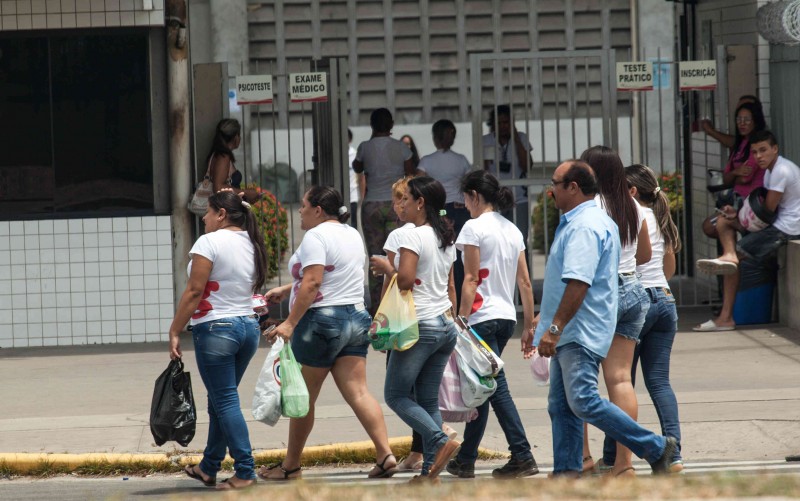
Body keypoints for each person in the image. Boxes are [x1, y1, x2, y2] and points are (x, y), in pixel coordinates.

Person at [523, 159, 677, 478]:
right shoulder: (584, 219)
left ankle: (656, 447)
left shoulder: (585, 225)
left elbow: (579, 282)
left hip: (579, 328)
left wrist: (555, 327)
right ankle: (567, 470)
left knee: (583, 400)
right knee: (563, 405)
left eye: (555, 183)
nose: (550, 191)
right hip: (573, 327)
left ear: (573, 188)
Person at [259, 186, 396, 480]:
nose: (300, 210)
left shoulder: (315, 236)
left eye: (304, 205)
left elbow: (313, 283)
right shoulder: (350, 234)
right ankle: (385, 454)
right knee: (358, 392)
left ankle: (291, 466)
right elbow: (335, 275)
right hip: (356, 318)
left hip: (321, 322)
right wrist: (287, 289)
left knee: (303, 397)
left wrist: (289, 323)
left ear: (318, 210)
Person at [169, 190, 269, 490]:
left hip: (216, 330)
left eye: (209, 212)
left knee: (225, 401)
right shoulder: (252, 242)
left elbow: (194, 291)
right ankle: (209, 466)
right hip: (247, 328)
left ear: (222, 215)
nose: (204, 217)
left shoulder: (209, 242)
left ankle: (245, 471)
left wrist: (175, 329)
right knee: (220, 401)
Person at [445, 170, 539, 479]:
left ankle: (522, 454)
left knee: (494, 388)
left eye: (465, 199)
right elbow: (525, 281)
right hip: (506, 316)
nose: (465, 205)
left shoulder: (473, 228)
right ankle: (466, 459)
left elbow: (470, 278)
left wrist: (461, 320)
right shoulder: (512, 229)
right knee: (482, 387)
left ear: (473, 195)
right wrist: (528, 324)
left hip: (480, 317)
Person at [370, 176, 459, 472]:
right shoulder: (445, 236)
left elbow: (405, 280)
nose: (401, 204)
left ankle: (437, 438)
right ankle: (430, 470)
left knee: (395, 395)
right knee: (428, 401)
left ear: (420, 203)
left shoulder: (413, 235)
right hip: (444, 325)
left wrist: (386, 267)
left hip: (421, 325)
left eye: (405, 198)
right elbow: (449, 286)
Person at [599, 163, 684, 472]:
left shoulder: (627, 214)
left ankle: (612, 459)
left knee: (621, 381)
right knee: (660, 382)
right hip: (665, 299)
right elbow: (669, 265)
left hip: (637, 301)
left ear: (632, 191)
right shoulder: (661, 217)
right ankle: (674, 455)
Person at [579, 145, 651, 477]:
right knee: (621, 379)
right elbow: (645, 255)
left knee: (579, 380)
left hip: (600, 295)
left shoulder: (589, 206)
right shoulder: (633, 205)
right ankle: (624, 465)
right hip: (634, 290)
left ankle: (584, 458)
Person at [695, 130, 800, 331]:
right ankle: (729, 254)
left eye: (763, 150)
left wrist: (744, 218)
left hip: (787, 229)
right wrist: (738, 215)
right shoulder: (770, 170)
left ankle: (725, 317)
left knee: (733, 262)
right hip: (774, 224)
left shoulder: (781, 170)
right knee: (724, 221)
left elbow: (768, 211)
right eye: (755, 152)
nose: (759, 156)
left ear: (775, 149)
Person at [353, 108, 416, 314]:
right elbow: (410, 170)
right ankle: (397, 300)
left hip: (371, 205)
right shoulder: (401, 147)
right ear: (391, 125)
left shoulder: (364, 147)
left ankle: (376, 306)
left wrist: (372, 139)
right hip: (396, 204)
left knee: (375, 255)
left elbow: (357, 166)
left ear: (372, 125)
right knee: (398, 252)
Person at [418, 119, 472, 305]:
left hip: (441, 211)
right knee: (462, 253)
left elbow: (418, 182)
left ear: (435, 137)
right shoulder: (461, 160)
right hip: (460, 210)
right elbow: (469, 183)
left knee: (443, 252)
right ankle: (462, 295)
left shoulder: (427, 161)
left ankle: (444, 296)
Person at [701, 102, 767, 239]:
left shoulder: (758, 144)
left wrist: (731, 177)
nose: (742, 123)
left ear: (756, 121)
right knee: (709, 226)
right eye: (739, 119)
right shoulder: (740, 144)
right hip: (736, 199)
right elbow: (724, 179)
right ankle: (737, 240)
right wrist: (735, 173)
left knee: (718, 223)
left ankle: (741, 231)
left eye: (747, 119)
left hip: (751, 201)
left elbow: (745, 178)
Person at [482, 105, 533, 240]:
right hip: (495, 198)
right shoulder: (486, 140)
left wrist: (515, 138)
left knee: (520, 239)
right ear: (493, 125)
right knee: (496, 240)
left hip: (519, 197)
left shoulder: (521, 138)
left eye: (506, 123)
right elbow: (484, 170)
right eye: (499, 123)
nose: (503, 126)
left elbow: (527, 166)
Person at [205, 119, 262, 204]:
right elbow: (218, 187)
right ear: (236, 137)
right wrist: (245, 192)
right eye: (239, 135)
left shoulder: (219, 155)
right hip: (224, 209)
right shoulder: (223, 157)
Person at [347, 128, 364, 229]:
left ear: (350, 139)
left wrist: (362, 196)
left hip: (352, 194)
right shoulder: (335, 154)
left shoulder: (355, 154)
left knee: (353, 222)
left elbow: (361, 176)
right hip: (338, 194)